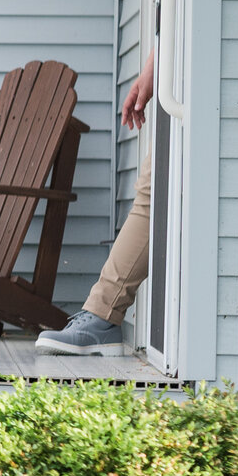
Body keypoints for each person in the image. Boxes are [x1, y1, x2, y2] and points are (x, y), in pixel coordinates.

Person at [35, 48, 154, 357]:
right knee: (154, 188)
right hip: (184, 82)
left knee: (154, 190)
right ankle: (102, 317)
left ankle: (103, 316)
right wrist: (152, 67)